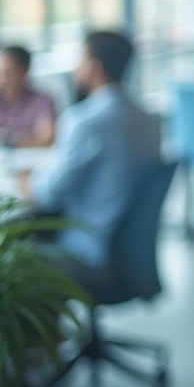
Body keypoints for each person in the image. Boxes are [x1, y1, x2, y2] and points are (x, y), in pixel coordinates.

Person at [17, 31, 162, 279]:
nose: (76, 69)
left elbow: (49, 193)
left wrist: (25, 180)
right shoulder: (148, 119)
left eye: (80, 60)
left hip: (87, 250)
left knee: (12, 254)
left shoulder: (84, 121)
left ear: (94, 68)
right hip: (127, 253)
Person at [0, 45, 56, 148]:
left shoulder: (42, 101)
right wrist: (29, 138)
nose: (3, 79)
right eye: (1, 73)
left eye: (8, 73)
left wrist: (7, 138)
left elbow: (46, 138)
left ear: (24, 70)